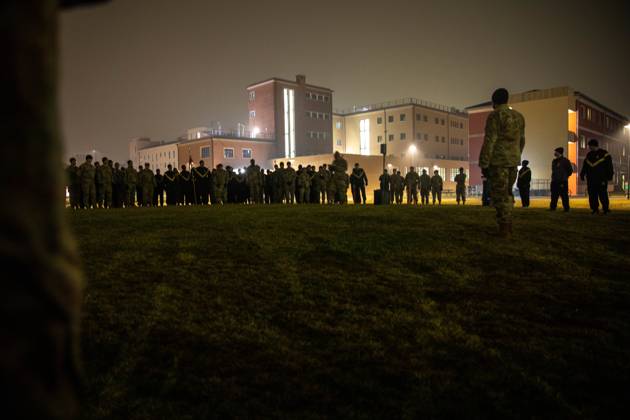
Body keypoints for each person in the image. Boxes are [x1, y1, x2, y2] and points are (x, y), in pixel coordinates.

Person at [479, 88, 525, 238]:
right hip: (513, 162)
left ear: (494, 101)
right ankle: (508, 226)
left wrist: (484, 164)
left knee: (500, 196)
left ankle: (504, 230)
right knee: (508, 194)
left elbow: (490, 141)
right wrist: (516, 156)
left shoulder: (495, 116)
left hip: (498, 163)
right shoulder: (519, 117)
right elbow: (522, 141)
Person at [580, 138, 614, 214]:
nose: (589, 148)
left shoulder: (604, 154)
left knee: (602, 194)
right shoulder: (589, 155)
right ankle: (594, 209)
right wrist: (582, 174)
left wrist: (609, 176)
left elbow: (609, 166)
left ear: (593, 145)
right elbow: (585, 166)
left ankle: (605, 208)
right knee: (592, 195)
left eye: (590, 146)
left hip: (601, 179)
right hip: (591, 179)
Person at [550, 147, 573, 212]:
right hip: (554, 181)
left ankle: (566, 208)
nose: (554, 153)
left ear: (559, 152)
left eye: (555, 152)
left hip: (562, 181)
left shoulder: (565, 161)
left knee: (564, 196)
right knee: (554, 195)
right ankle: (552, 207)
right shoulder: (554, 161)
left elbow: (570, 171)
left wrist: (565, 177)